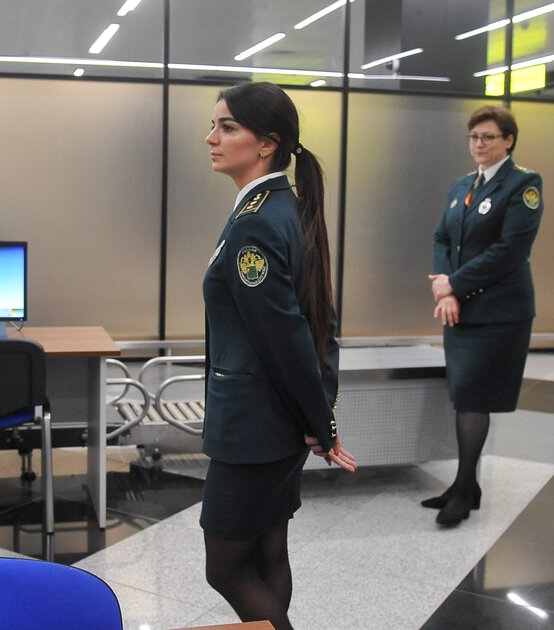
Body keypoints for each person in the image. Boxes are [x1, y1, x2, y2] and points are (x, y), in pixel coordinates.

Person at [200, 81, 357, 630]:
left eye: (227, 127)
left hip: (253, 428)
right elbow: (319, 323)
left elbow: (286, 336)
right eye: (214, 125)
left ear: (266, 144)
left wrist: (321, 424)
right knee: (268, 554)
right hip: (282, 422)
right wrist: (319, 416)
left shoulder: (256, 223)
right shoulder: (282, 207)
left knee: (225, 568)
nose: (211, 138)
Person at [426, 105, 544, 527]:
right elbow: (442, 237)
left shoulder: (523, 185)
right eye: (474, 137)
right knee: (464, 396)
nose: (479, 144)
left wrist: (454, 286)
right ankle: (467, 485)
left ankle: (462, 490)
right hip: (460, 309)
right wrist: (446, 287)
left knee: (474, 399)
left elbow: (510, 251)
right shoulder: (462, 185)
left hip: (499, 313)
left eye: (488, 137)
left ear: (508, 140)